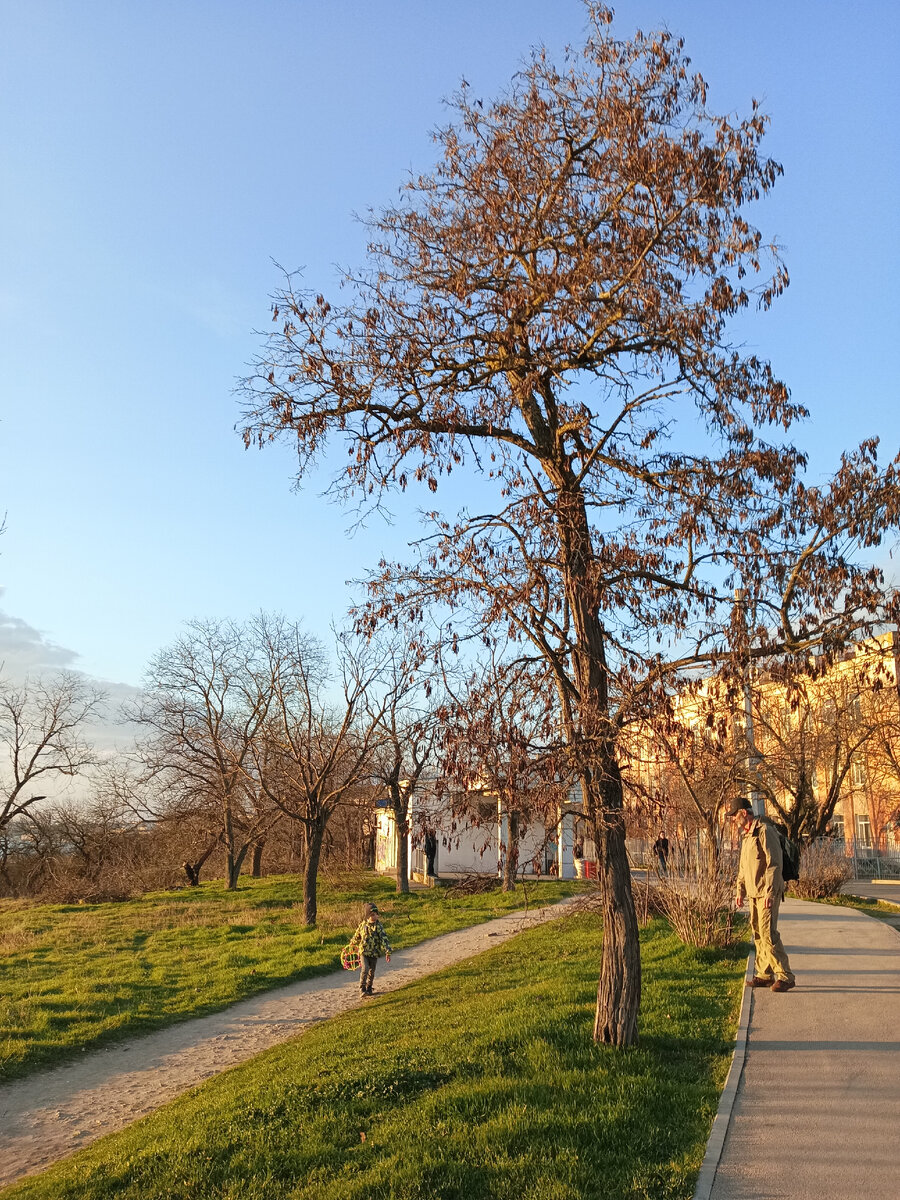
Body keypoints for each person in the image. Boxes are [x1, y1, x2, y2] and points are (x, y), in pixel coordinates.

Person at [728, 796, 796, 992]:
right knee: (758, 933)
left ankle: (785, 976)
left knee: (768, 933)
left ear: (744, 813)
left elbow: (774, 864)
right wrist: (739, 891)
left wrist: (771, 892)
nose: (733, 820)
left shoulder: (765, 831)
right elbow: (742, 868)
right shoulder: (747, 836)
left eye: (735, 815)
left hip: (767, 892)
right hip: (753, 893)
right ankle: (764, 974)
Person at [349, 902, 393, 996]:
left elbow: (384, 938)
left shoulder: (378, 927)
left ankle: (369, 987)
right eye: (372, 914)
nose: (375, 916)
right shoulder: (363, 925)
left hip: (374, 952)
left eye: (376, 914)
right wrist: (352, 944)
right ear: (368, 916)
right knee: (365, 969)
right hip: (364, 952)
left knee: (371, 972)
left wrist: (387, 951)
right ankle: (362, 988)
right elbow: (357, 936)